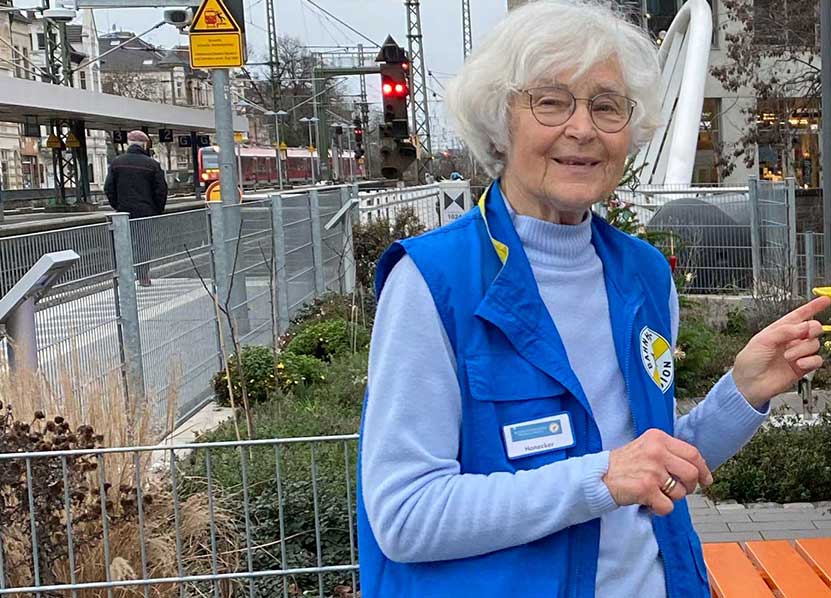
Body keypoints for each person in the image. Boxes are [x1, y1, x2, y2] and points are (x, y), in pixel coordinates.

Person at [356, 2, 830, 597]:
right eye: (551, 101)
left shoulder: (645, 274)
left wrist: (742, 394)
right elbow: (405, 515)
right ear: (502, 120)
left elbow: (648, 468)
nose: (581, 128)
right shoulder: (432, 282)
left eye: (606, 107)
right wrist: (601, 477)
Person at [104, 130, 168, 286]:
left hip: (124, 213)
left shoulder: (117, 163)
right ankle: (143, 276)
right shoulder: (152, 164)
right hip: (146, 211)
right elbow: (161, 190)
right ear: (145, 145)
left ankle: (124, 275)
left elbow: (108, 188)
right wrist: (157, 210)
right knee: (143, 244)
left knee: (125, 243)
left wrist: (117, 206)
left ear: (129, 144)